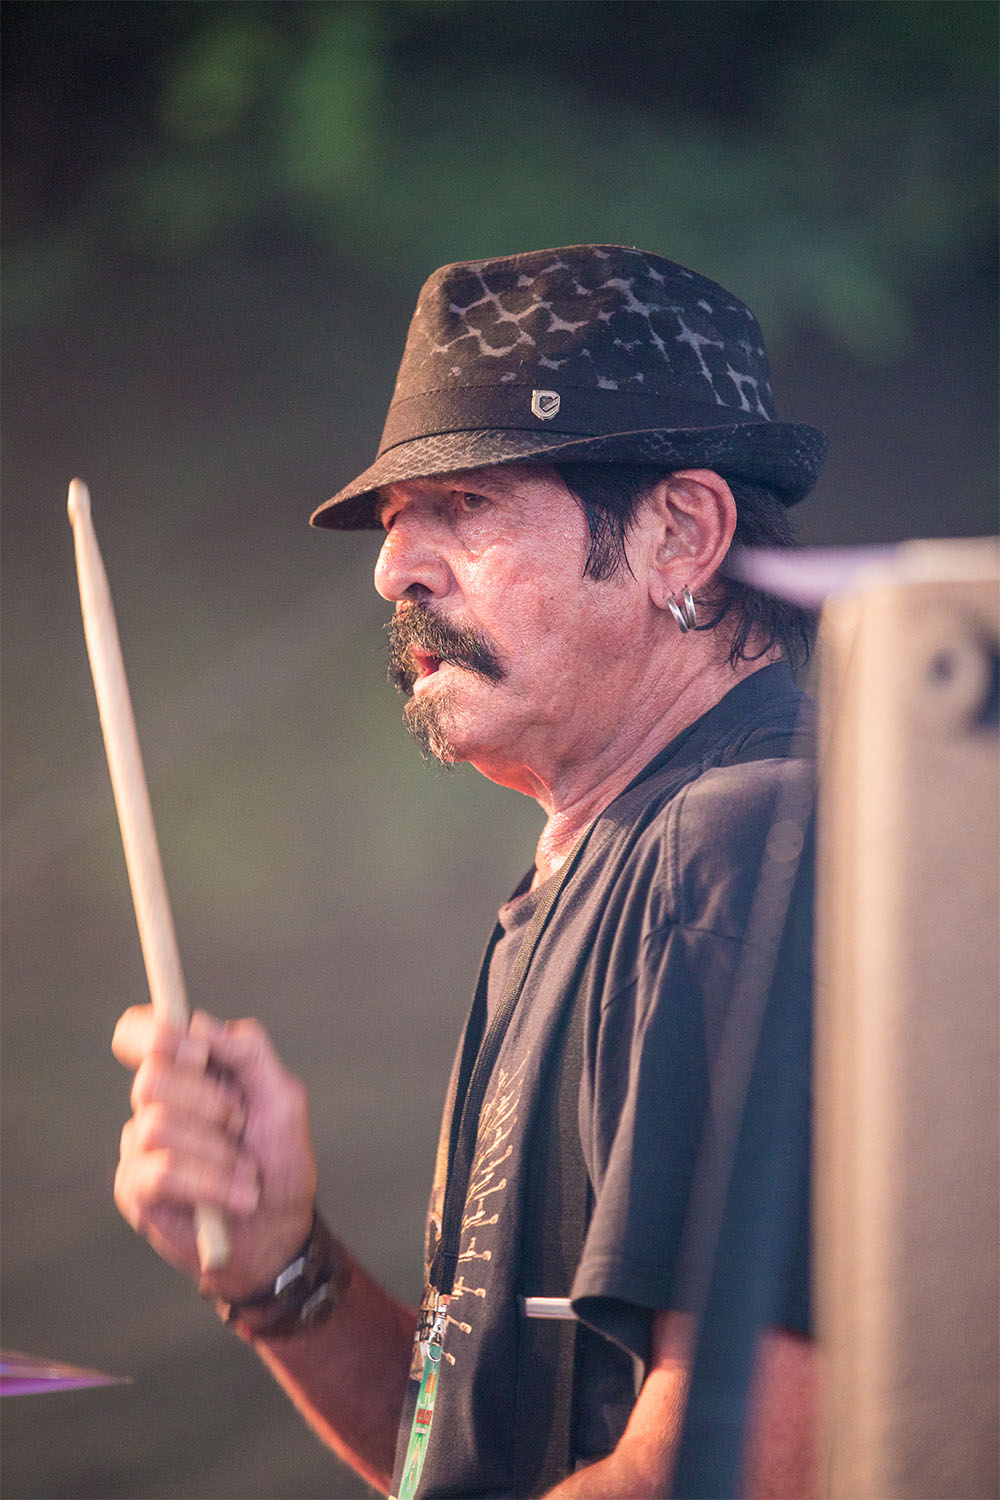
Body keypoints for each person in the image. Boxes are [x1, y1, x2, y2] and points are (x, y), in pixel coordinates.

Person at [112, 245, 826, 1499]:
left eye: (467, 501)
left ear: (681, 534)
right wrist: (282, 1269)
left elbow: (738, 1471)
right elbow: (472, 1454)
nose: (394, 569)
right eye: (399, 520)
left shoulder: (740, 852)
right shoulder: (577, 882)